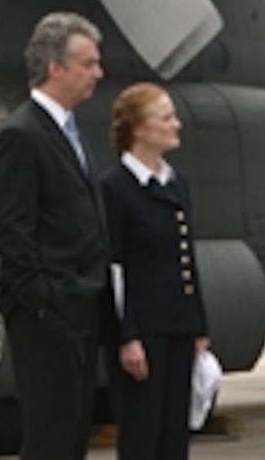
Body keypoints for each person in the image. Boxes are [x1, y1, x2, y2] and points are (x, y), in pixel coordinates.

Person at [0, 12, 109, 460]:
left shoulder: (70, 132)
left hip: (78, 307)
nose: (98, 73)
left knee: (72, 434)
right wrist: (43, 301)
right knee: (51, 437)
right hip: (49, 314)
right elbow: (13, 231)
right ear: (56, 68)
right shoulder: (21, 135)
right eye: (89, 63)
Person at [102, 82, 210, 460]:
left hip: (178, 324)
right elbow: (112, 268)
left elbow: (185, 257)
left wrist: (198, 325)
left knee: (173, 435)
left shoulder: (176, 183)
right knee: (142, 434)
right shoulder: (114, 188)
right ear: (139, 128)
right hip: (143, 329)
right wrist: (125, 335)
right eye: (165, 117)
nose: (175, 124)